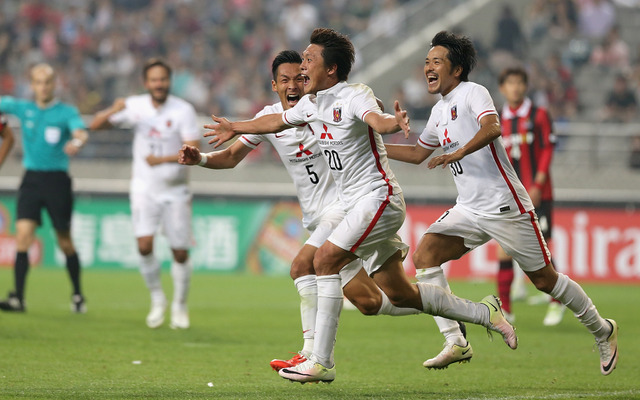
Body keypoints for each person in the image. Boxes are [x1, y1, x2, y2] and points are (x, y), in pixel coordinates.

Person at [204, 28, 518, 383]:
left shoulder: (354, 96)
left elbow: (376, 120)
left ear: (331, 69)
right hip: (356, 207)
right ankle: (483, 312)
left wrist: (392, 124)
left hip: (376, 197)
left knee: (321, 260)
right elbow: (274, 120)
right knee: (396, 294)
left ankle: (319, 360)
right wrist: (235, 125)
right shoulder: (310, 104)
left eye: (308, 61)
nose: (302, 67)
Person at [384, 31, 618, 375]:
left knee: (545, 280)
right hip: (469, 208)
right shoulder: (438, 111)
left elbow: (493, 128)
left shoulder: (473, 93)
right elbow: (420, 153)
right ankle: (455, 341)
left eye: (437, 62)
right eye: (426, 62)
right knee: (424, 256)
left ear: (458, 69)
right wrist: (375, 147)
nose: (429, 68)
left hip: (505, 205)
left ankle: (603, 330)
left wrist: (460, 151)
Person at [90, 59, 200, 329]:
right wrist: (112, 110)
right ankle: (157, 299)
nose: (159, 84)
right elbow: (96, 126)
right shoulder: (135, 106)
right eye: (154, 80)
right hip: (144, 188)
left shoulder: (183, 110)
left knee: (180, 252)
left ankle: (180, 305)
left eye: (163, 79)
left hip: (175, 191)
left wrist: (160, 160)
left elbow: (193, 151)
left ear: (169, 82)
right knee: (143, 245)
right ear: (146, 83)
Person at [0, 63, 88, 313]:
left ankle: (78, 295)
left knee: (64, 241)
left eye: (47, 82)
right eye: (38, 82)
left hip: (57, 181)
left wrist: (77, 142)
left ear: (54, 84)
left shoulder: (65, 112)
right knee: (23, 236)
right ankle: (18, 297)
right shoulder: (22, 107)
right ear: (32, 85)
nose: (43, 87)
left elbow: (80, 132)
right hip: (31, 179)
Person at [496, 66, 567, 327]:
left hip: (538, 192)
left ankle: (557, 301)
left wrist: (537, 182)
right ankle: (506, 310)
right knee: (503, 248)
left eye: (519, 83)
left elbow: (548, 148)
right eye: (509, 83)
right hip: (509, 196)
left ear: (525, 86)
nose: (515, 87)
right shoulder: (496, 118)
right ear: (502, 88)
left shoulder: (538, 115)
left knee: (542, 247)